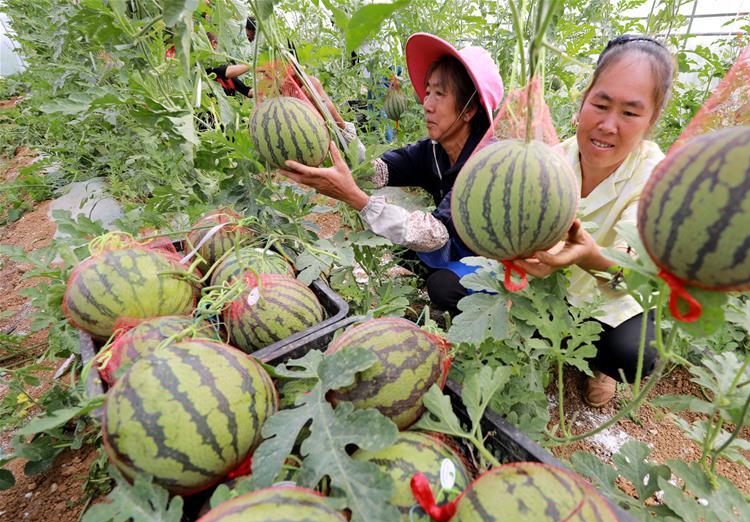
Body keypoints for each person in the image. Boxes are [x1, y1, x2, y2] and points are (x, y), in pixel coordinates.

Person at [278, 33, 504, 311]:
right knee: (401, 243)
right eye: (428, 91)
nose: (427, 104)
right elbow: (374, 171)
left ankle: (495, 308)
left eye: (440, 94)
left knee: (441, 286)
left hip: (496, 265)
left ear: (468, 110)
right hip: (458, 249)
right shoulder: (434, 150)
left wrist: (354, 197)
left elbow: (436, 234)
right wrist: (332, 118)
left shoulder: (487, 165)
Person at [512, 35, 677, 407]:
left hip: (614, 295)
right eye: (600, 104)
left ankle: (600, 367)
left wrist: (586, 255)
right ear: (584, 100)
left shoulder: (658, 180)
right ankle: (561, 339)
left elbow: (630, 279)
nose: (607, 125)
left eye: (630, 113)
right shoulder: (554, 159)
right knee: (452, 288)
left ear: (651, 121)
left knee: (631, 356)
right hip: (554, 289)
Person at [205, 33, 253, 97]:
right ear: (214, 44)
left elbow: (248, 92)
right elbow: (226, 72)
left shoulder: (228, 76)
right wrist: (254, 64)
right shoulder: (205, 67)